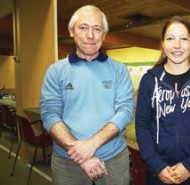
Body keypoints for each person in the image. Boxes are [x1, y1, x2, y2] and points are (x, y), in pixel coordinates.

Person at [40, 5, 134, 185]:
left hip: (114, 161)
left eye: (97, 29)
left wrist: (92, 144)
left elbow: (125, 110)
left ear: (104, 35)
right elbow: (50, 114)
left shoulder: (119, 70)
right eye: (83, 27)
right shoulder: (56, 71)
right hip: (67, 162)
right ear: (71, 31)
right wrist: (82, 155)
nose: (90, 35)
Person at [135, 16, 190, 185]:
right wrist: (156, 165)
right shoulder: (149, 80)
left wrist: (189, 166)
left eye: (183, 38)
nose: (177, 45)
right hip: (158, 172)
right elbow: (142, 125)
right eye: (170, 38)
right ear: (162, 43)